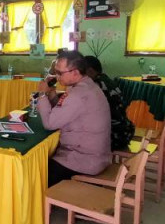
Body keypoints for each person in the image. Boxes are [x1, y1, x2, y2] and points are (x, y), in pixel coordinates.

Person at [36, 51, 111, 187]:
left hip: (84, 160)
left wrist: (41, 94)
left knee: (36, 173)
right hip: (96, 155)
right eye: (55, 72)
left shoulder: (78, 94)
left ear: (75, 72)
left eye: (60, 73)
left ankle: (45, 200)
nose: (56, 77)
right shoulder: (87, 85)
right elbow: (64, 112)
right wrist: (52, 95)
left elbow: (49, 123)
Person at [84, 56, 135, 151]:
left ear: (90, 71)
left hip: (114, 134)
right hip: (125, 130)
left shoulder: (97, 85)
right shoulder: (106, 80)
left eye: (82, 72)